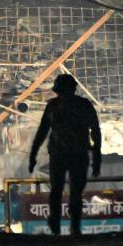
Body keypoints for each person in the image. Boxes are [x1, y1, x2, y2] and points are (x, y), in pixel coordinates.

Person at [29, 73, 102, 236]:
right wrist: (97, 158)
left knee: (60, 191)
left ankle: (59, 226)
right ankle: (70, 227)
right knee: (72, 192)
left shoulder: (54, 106)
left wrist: (33, 155)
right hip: (73, 154)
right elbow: (95, 132)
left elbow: (42, 132)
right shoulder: (83, 105)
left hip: (63, 154)